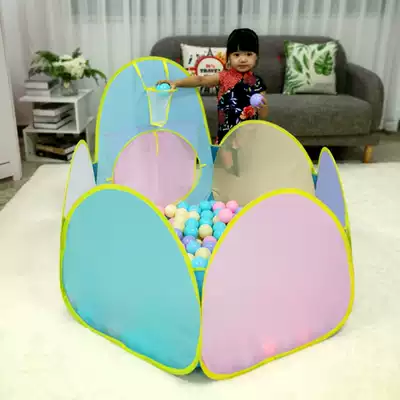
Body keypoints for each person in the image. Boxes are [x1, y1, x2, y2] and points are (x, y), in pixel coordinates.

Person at [157, 28, 268, 172]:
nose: (243, 59)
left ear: (256, 57)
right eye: (236, 54)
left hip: (248, 136)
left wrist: (262, 106)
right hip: (226, 135)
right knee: (226, 169)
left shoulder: (257, 83)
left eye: (248, 54)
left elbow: (264, 116)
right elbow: (200, 80)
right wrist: (176, 83)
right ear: (229, 57)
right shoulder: (223, 77)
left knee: (245, 170)